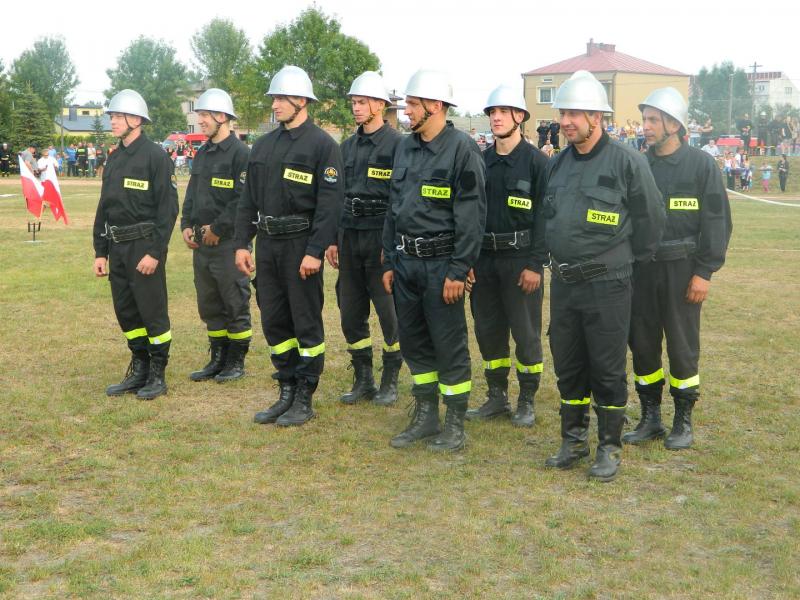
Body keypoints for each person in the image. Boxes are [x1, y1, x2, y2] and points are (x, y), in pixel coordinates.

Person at [541, 71, 665, 481]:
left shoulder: (627, 162)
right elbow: (548, 217)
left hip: (608, 284)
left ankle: (609, 447)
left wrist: (624, 263)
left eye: (575, 113)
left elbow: (651, 221)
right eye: (563, 113)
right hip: (565, 283)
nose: (566, 121)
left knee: (607, 367)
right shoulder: (557, 164)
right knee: (568, 363)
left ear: (597, 117)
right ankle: (573, 440)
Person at [381, 69, 486, 452]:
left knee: (448, 343)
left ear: (435, 105)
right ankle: (426, 416)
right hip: (405, 264)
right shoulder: (405, 148)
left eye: (412, 104)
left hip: (442, 266)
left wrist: (458, 269)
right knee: (414, 342)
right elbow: (393, 207)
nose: (406, 111)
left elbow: (471, 216)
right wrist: (389, 260)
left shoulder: (462, 150)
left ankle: (454, 422)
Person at [235, 65, 343, 427]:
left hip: (301, 245)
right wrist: (242, 243)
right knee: (274, 320)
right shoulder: (264, 146)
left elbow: (330, 205)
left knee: (305, 321)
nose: (275, 104)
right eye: (274, 98)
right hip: (268, 245)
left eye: (281, 98)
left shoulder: (323, 146)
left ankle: (305, 395)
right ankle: (286, 389)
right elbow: (247, 200)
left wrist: (315, 251)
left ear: (302, 101)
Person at [626, 87, 732, 450]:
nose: (645, 126)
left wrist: (704, 272)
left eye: (653, 120)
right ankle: (650, 417)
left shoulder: (701, 165)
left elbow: (717, 221)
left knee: (683, 347)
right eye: (644, 119)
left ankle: (683, 420)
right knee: (642, 343)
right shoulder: (638, 164)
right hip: (642, 270)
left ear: (674, 124)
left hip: (683, 270)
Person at [465, 84, 548, 428]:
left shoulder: (537, 163)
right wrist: (468, 261)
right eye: (492, 112)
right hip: (484, 261)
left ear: (519, 117)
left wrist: (535, 264)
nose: (496, 118)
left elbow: (546, 217)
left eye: (503, 112)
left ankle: (526, 399)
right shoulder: (480, 162)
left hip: (520, 262)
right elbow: (469, 214)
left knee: (526, 334)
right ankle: (496, 397)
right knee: (488, 330)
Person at [92, 89, 179, 400]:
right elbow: (104, 207)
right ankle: (139, 368)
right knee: (127, 312)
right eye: (112, 116)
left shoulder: (156, 157)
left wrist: (155, 252)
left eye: (119, 116)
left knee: (152, 311)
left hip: (144, 246)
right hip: (117, 249)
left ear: (137, 120)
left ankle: (157, 373)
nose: (113, 121)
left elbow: (168, 210)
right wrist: (100, 251)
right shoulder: (114, 159)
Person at [324, 72, 403, 406]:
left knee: (389, 313)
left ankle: (390, 379)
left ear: (380, 106)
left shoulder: (398, 145)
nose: (356, 108)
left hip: (380, 238)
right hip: (349, 237)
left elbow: (403, 199)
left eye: (362, 102)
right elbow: (335, 197)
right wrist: (332, 239)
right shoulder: (346, 147)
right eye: (354, 102)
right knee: (350, 312)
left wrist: (393, 245)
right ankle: (363, 378)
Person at [180, 89, 253, 384]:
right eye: (199, 115)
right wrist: (186, 224)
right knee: (209, 303)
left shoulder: (241, 154)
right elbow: (192, 193)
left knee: (234, 301)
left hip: (229, 243)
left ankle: (236, 361)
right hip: (202, 243)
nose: (200, 121)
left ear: (222, 117)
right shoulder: (203, 153)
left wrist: (217, 229)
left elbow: (242, 199)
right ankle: (218, 358)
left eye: (205, 115)